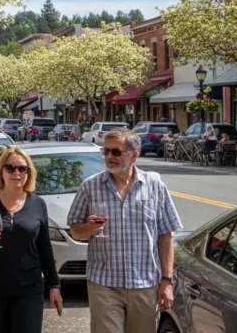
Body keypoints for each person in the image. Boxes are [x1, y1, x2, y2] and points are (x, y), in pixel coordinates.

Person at [68, 128, 183, 333]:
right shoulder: (90, 187)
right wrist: (88, 228)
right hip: (104, 284)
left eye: (116, 152)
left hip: (145, 284)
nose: (109, 157)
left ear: (134, 155)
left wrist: (167, 281)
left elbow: (165, 236)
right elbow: (75, 230)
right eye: (106, 151)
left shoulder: (155, 187)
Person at [0, 146, 62, 332]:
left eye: (22, 168)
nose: (16, 173)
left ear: (28, 173)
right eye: (10, 168)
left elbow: (44, 248)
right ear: (1, 171)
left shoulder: (38, 204)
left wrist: (54, 285)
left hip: (28, 288)